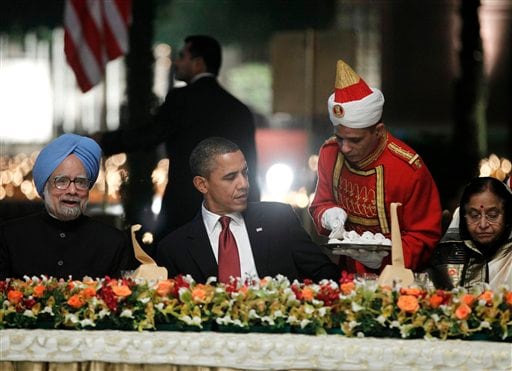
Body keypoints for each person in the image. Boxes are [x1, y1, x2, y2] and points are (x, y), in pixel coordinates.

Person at [94, 35, 259, 243]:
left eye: (182, 56)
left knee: (172, 272)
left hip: (183, 209)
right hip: (230, 212)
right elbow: (251, 166)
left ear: (198, 63)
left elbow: (149, 135)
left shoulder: (180, 100)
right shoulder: (239, 110)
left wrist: (103, 141)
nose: (177, 62)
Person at [309, 60, 442, 274]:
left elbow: (425, 235)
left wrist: (382, 258)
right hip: (348, 275)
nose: (345, 148)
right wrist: (328, 214)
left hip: (401, 278)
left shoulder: (408, 169)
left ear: (379, 131)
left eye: (355, 140)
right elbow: (320, 204)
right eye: (339, 137)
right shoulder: (329, 153)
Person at [156, 137, 340, 283]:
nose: (243, 184)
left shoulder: (278, 220)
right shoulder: (174, 248)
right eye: (230, 177)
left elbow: (326, 274)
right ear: (202, 184)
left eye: (245, 173)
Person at [0, 134, 134, 280]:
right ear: (44, 186)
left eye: (81, 182)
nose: (72, 190)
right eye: (62, 181)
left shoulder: (113, 243)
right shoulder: (8, 237)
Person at [428, 177, 512, 290]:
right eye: (474, 215)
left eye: (492, 215)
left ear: (507, 216)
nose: (483, 225)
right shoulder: (442, 261)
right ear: (463, 217)